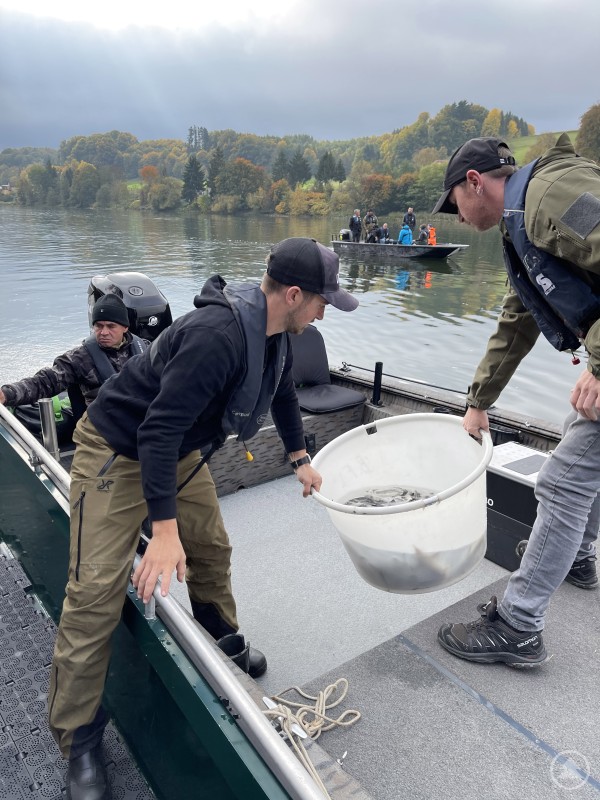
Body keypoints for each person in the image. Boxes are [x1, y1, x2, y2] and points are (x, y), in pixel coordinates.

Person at [49, 237, 359, 800]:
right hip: (117, 451)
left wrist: (299, 458)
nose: (323, 312)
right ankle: (80, 740)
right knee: (93, 593)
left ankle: (222, 638)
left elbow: (283, 391)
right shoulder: (216, 338)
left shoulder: (277, 333)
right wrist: (164, 535)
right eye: (322, 302)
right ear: (294, 295)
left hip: (179, 449)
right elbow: (156, 430)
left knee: (212, 547)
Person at [432, 134, 600, 669]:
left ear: (475, 183)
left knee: (564, 480)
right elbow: (518, 317)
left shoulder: (553, 195)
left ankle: (518, 625)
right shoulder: (522, 222)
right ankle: (578, 554)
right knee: (582, 423)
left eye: (453, 201)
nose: (456, 216)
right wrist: (479, 400)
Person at [0, 293, 147, 415]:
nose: (103, 332)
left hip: (142, 421)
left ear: (125, 327)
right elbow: (45, 382)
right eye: (98, 326)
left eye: (111, 326)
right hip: (102, 430)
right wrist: (7, 394)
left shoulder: (146, 350)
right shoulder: (80, 358)